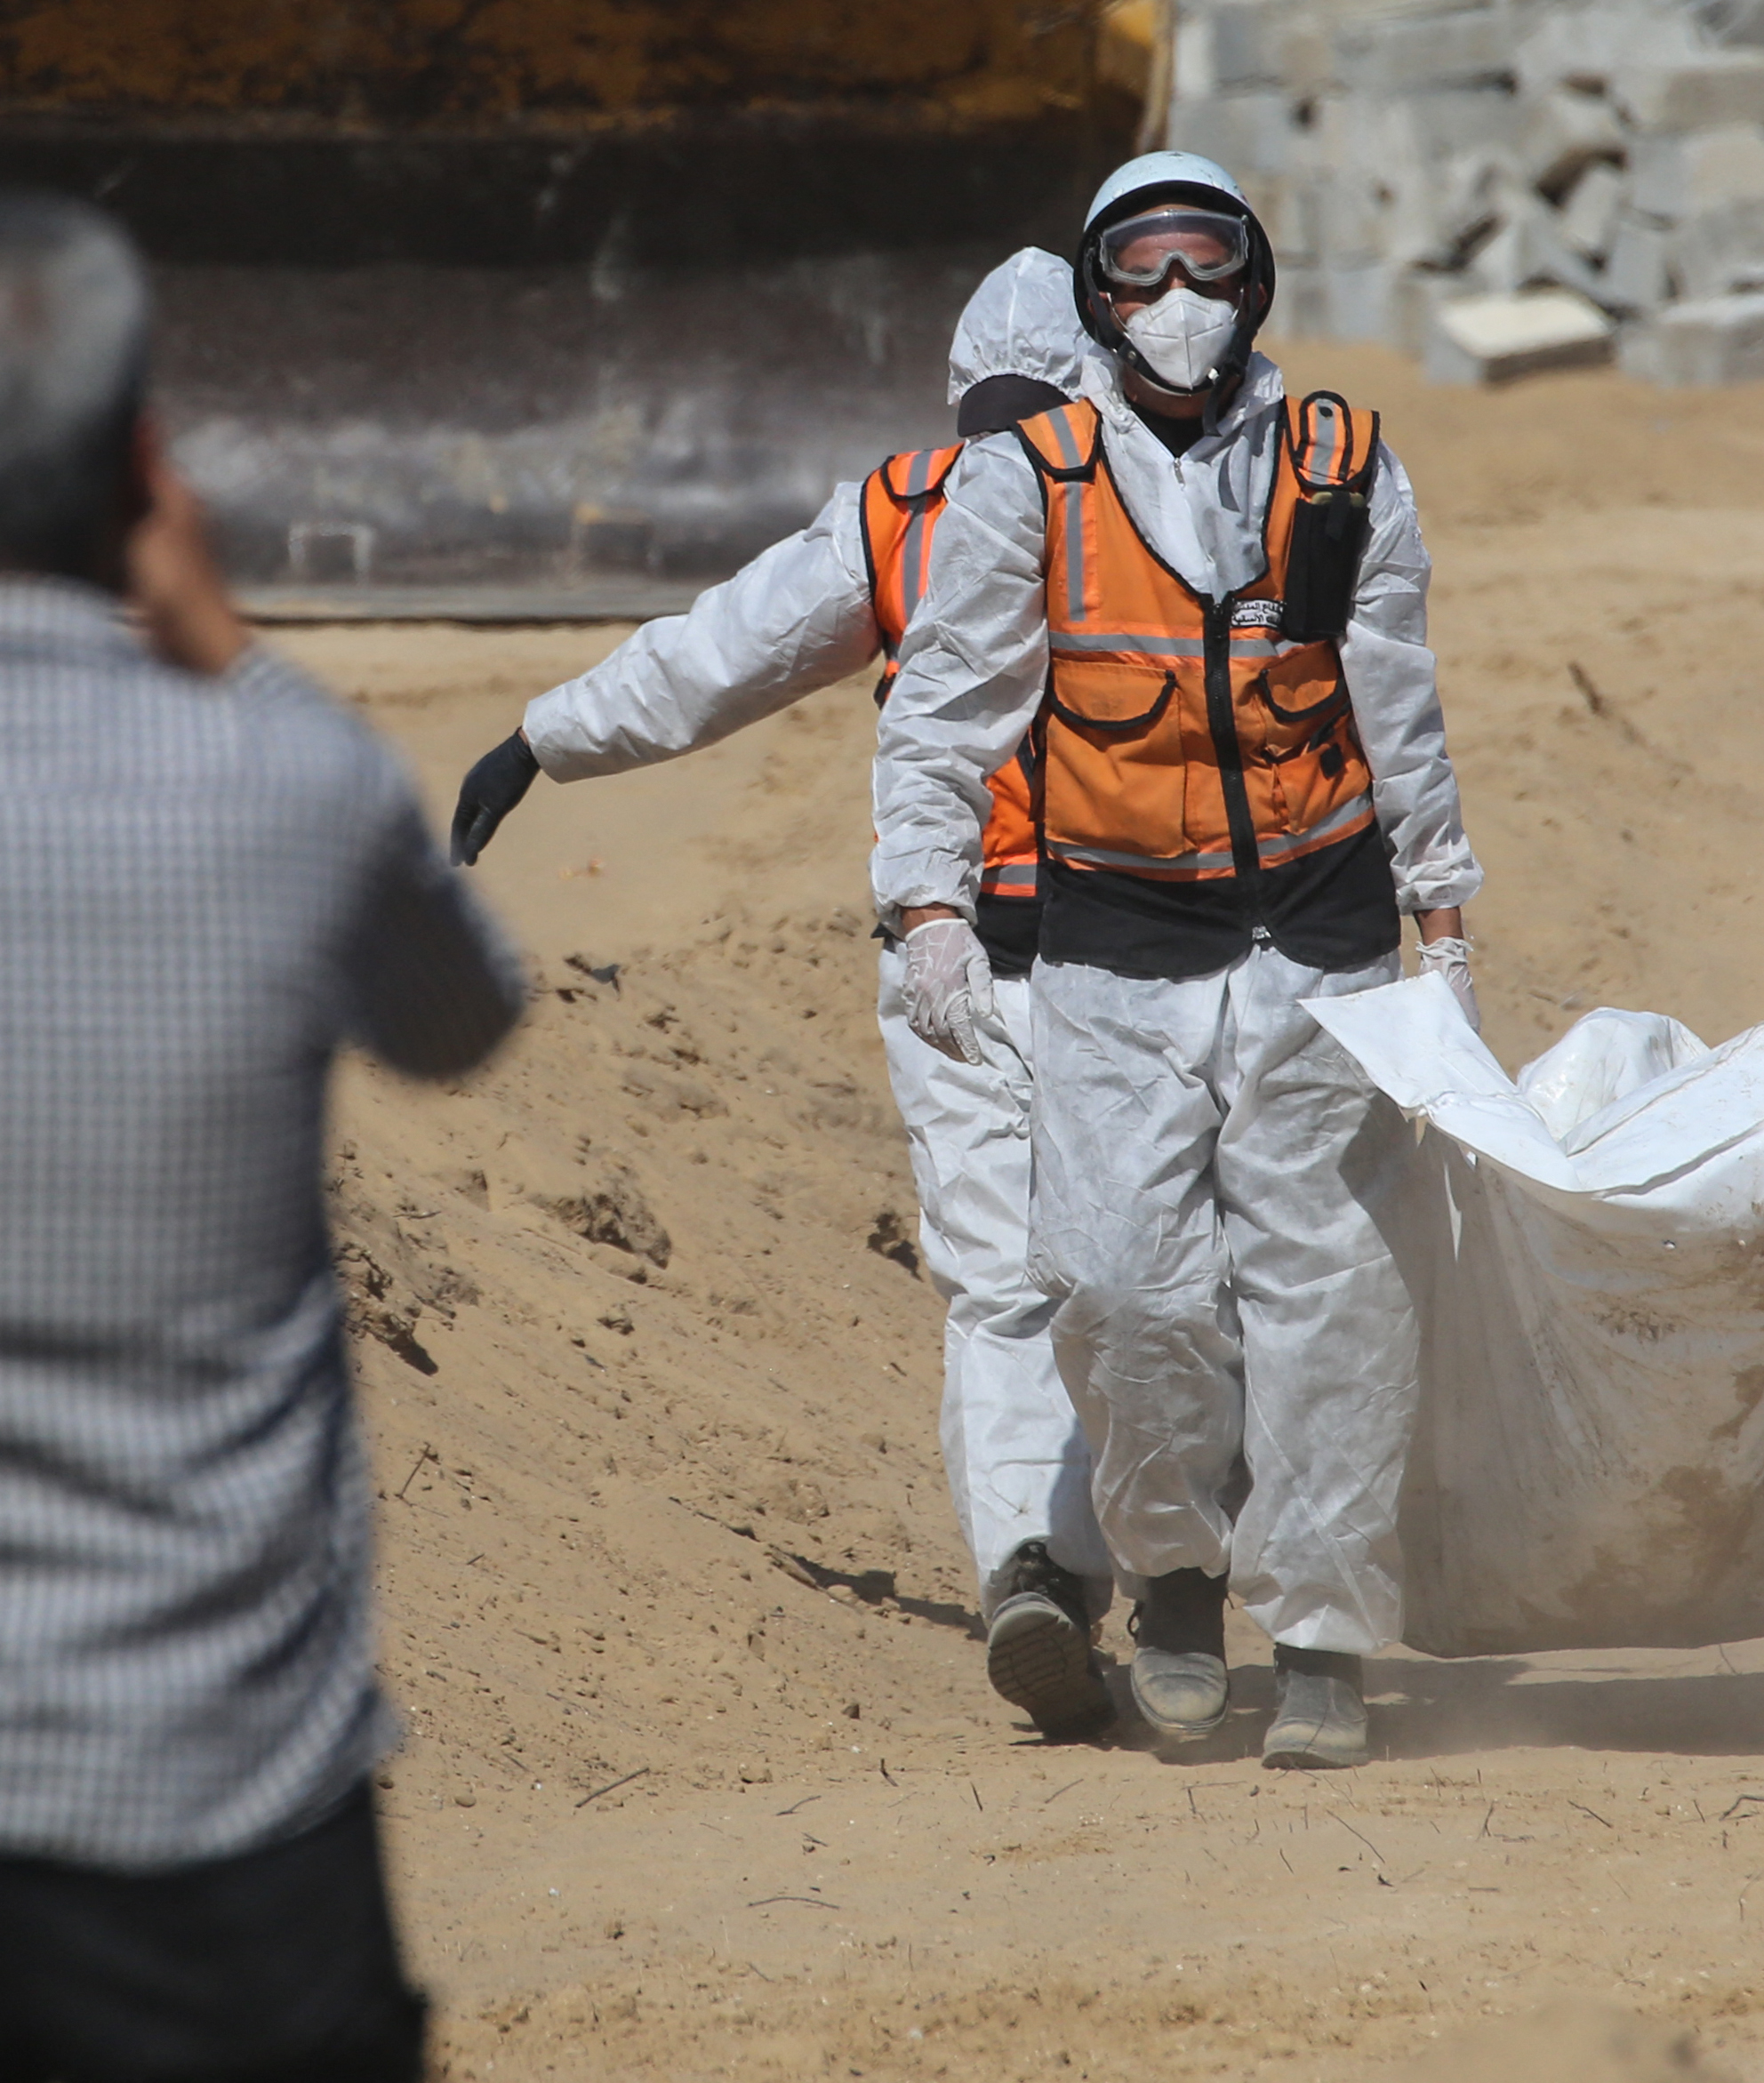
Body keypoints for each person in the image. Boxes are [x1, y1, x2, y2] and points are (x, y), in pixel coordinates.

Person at [0, 191, 524, 2079]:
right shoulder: (285, 778)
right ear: (147, 467)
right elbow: (464, 1016)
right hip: (223, 1805)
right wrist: (233, 651)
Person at [445, 251, 1129, 1743]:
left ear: (959, 384)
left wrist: (543, 737)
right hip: (1137, 952)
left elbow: (718, 656)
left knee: (997, 1284)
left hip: (945, 956)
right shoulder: (1147, 498)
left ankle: (1037, 1570)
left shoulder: (899, 507)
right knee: (1158, 1268)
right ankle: (1165, 1571)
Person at [872, 150, 1482, 1770]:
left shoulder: (1339, 464)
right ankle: (1177, 1581)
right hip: (1119, 942)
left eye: (1206, 261)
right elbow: (944, 709)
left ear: (1254, 281)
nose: (1177, 299)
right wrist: (929, 906)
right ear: (1096, 299)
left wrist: (1443, 917)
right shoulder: (1035, 477)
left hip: (1321, 937)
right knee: (1119, 1284)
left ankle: (1326, 1634)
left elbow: (1399, 698)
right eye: (1140, 268)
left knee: (1328, 1292)